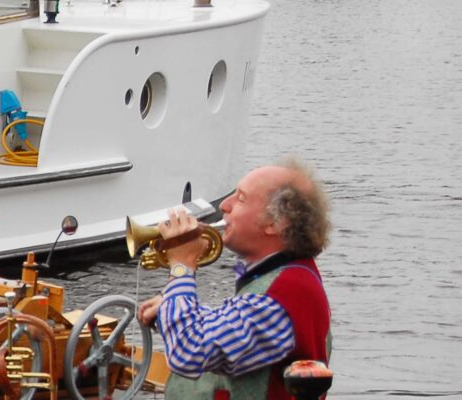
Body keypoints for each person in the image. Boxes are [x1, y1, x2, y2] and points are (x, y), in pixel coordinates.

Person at [139, 156, 333, 400]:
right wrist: (169, 308)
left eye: (240, 198)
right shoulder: (281, 280)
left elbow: (189, 353)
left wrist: (182, 265)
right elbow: (235, 328)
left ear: (276, 223)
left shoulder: (285, 294)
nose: (224, 205)